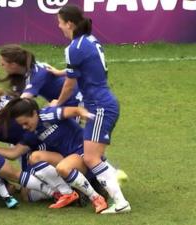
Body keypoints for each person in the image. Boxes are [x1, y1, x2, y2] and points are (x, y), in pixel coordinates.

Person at [48, 4, 130, 214]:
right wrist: (60, 72)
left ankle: (120, 204)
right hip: (102, 102)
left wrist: (58, 102)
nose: (59, 26)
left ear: (70, 23)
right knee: (91, 156)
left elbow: (70, 84)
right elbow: (85, 69)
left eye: (60, 22)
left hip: (99, 106)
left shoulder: (73, 48)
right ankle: (114, 176)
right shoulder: (90, 40)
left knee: (91, 158)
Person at [0, 98, 108, 213]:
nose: (24, 127)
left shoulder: (49, 114)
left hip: (85, 153)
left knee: (63, 167)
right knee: (33, 162)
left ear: (34, 113)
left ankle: (95, 197)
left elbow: (76, 110)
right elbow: (14, 153)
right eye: (21, 125)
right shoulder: (32, 133)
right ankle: (69, 193)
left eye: (26, 123)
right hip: (69, 160)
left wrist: (89, 117)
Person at [0, 44, 82, 106]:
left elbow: (22, 101)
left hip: (74, 98)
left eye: (3, 64)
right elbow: (14, 98)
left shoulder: (37, 75)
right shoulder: (22, 74)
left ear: (14, 65)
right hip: (61, 101)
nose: (0, 66)